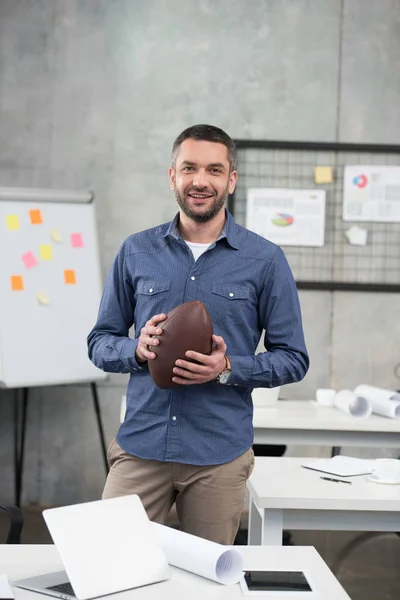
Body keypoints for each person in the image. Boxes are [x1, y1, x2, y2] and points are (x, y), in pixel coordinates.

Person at [87, 124, 309, 545]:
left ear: (231, 179)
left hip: (217, 455)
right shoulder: (136, 251)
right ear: (173, 176)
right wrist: (136, 349)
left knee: (207, 583)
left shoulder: (265, 259)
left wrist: (227, 367)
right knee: (112, 567)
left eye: (214, 169)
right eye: (189, 168)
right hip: (141, 445)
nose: (201, 181)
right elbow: (100, 340)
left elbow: (293, 357)